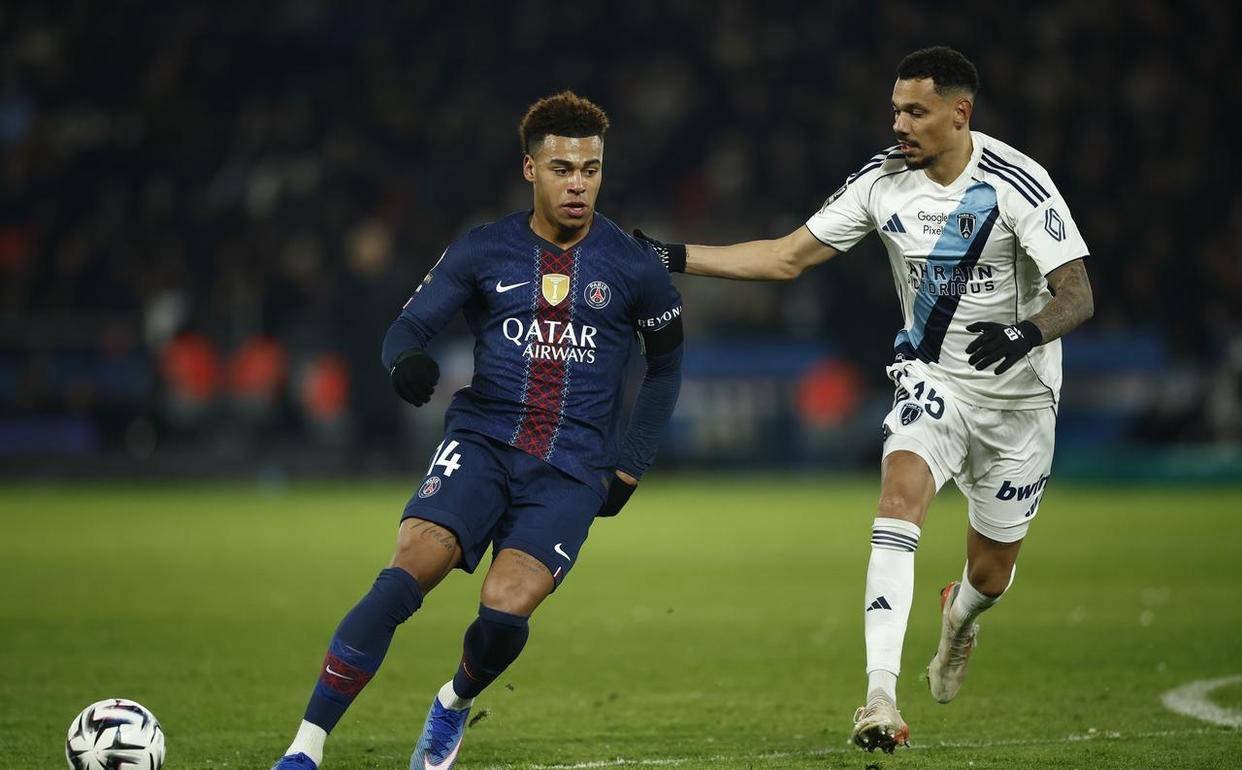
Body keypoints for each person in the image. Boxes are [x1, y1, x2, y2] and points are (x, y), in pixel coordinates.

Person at [637, 46, 1094, 753]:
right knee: (897, 503)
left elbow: (1078, 294)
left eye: (915, 112)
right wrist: (672, 257)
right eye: (895, 110)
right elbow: (786, 256)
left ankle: (960, 616)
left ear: (959, 113)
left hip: (1019, 403)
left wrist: (1025, 332)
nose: (899, 124)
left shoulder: (1017, 184)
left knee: (991, 575)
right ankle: (879, 697)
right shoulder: (882, 182)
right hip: (932, 382)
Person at [271, 90, 684, 770]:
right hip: (483, 441)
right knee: (406, 573)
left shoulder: (635, 265)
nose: (577, 184)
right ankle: (305, 748)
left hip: (572, 466)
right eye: (561, 169)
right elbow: (407, 328)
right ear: (530, 169)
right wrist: (404, 360)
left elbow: (666, 369)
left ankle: (453, 702)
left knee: (504, 609)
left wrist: (631, 463)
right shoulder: (484, 249)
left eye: (590, 170)